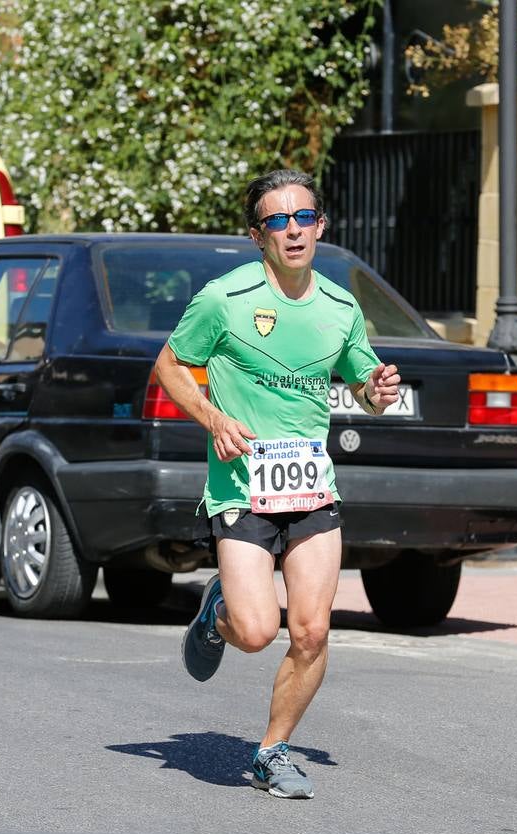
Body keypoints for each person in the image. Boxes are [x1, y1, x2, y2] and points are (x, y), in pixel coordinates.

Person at [154, 169, 401, 799]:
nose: (291, 230)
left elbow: (365, 386)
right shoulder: (224, 299)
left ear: (320, 225)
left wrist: (377, 392)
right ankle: (217, 613)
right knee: (258, 630)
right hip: (242, 488)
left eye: (302, 218)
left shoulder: (340, 309)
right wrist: (212, 417)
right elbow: (170, 365)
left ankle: (272, 750)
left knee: (312, 630)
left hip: (312, 488)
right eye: (276, 221)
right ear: (257, 235)